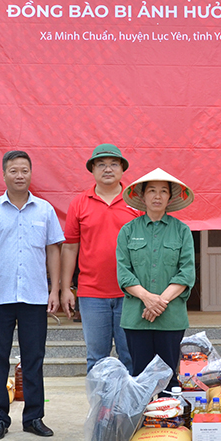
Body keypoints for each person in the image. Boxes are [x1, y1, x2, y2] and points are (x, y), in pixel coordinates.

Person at [0, 151, 64, 440]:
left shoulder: (45, 210)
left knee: (34, 359)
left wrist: (55, 289)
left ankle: (34, 417)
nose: (19, 175)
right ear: (4, 175)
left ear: (30, 173)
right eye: (13, 170)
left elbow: (54, 249)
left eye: (24, 170)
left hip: (35, 296)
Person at [60, 144, 139, 374]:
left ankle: (130, 409)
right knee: (96, 359)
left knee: (130, 357)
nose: (108, 169)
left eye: (114, 164)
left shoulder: (135, 202)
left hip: (131, 293)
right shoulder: (79, 203)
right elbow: (70, 248)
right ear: (92, 170)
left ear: (122, 169)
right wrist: (66, 288)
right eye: (101, 164)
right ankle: (101, 410)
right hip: (91, 294)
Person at [116, 168, 196, 387]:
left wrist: (160, 302)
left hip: (170, 318)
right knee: (140, 377)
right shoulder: (128, 231)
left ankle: (169, 421)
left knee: (169, 378)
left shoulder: (182, 231)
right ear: (142, 196)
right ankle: (143, 421)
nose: (157, 196)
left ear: (170, 197)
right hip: (136, 318)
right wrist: (147, 298)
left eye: (163, 191)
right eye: (152, 191)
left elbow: (186, 272)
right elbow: (123, 272)